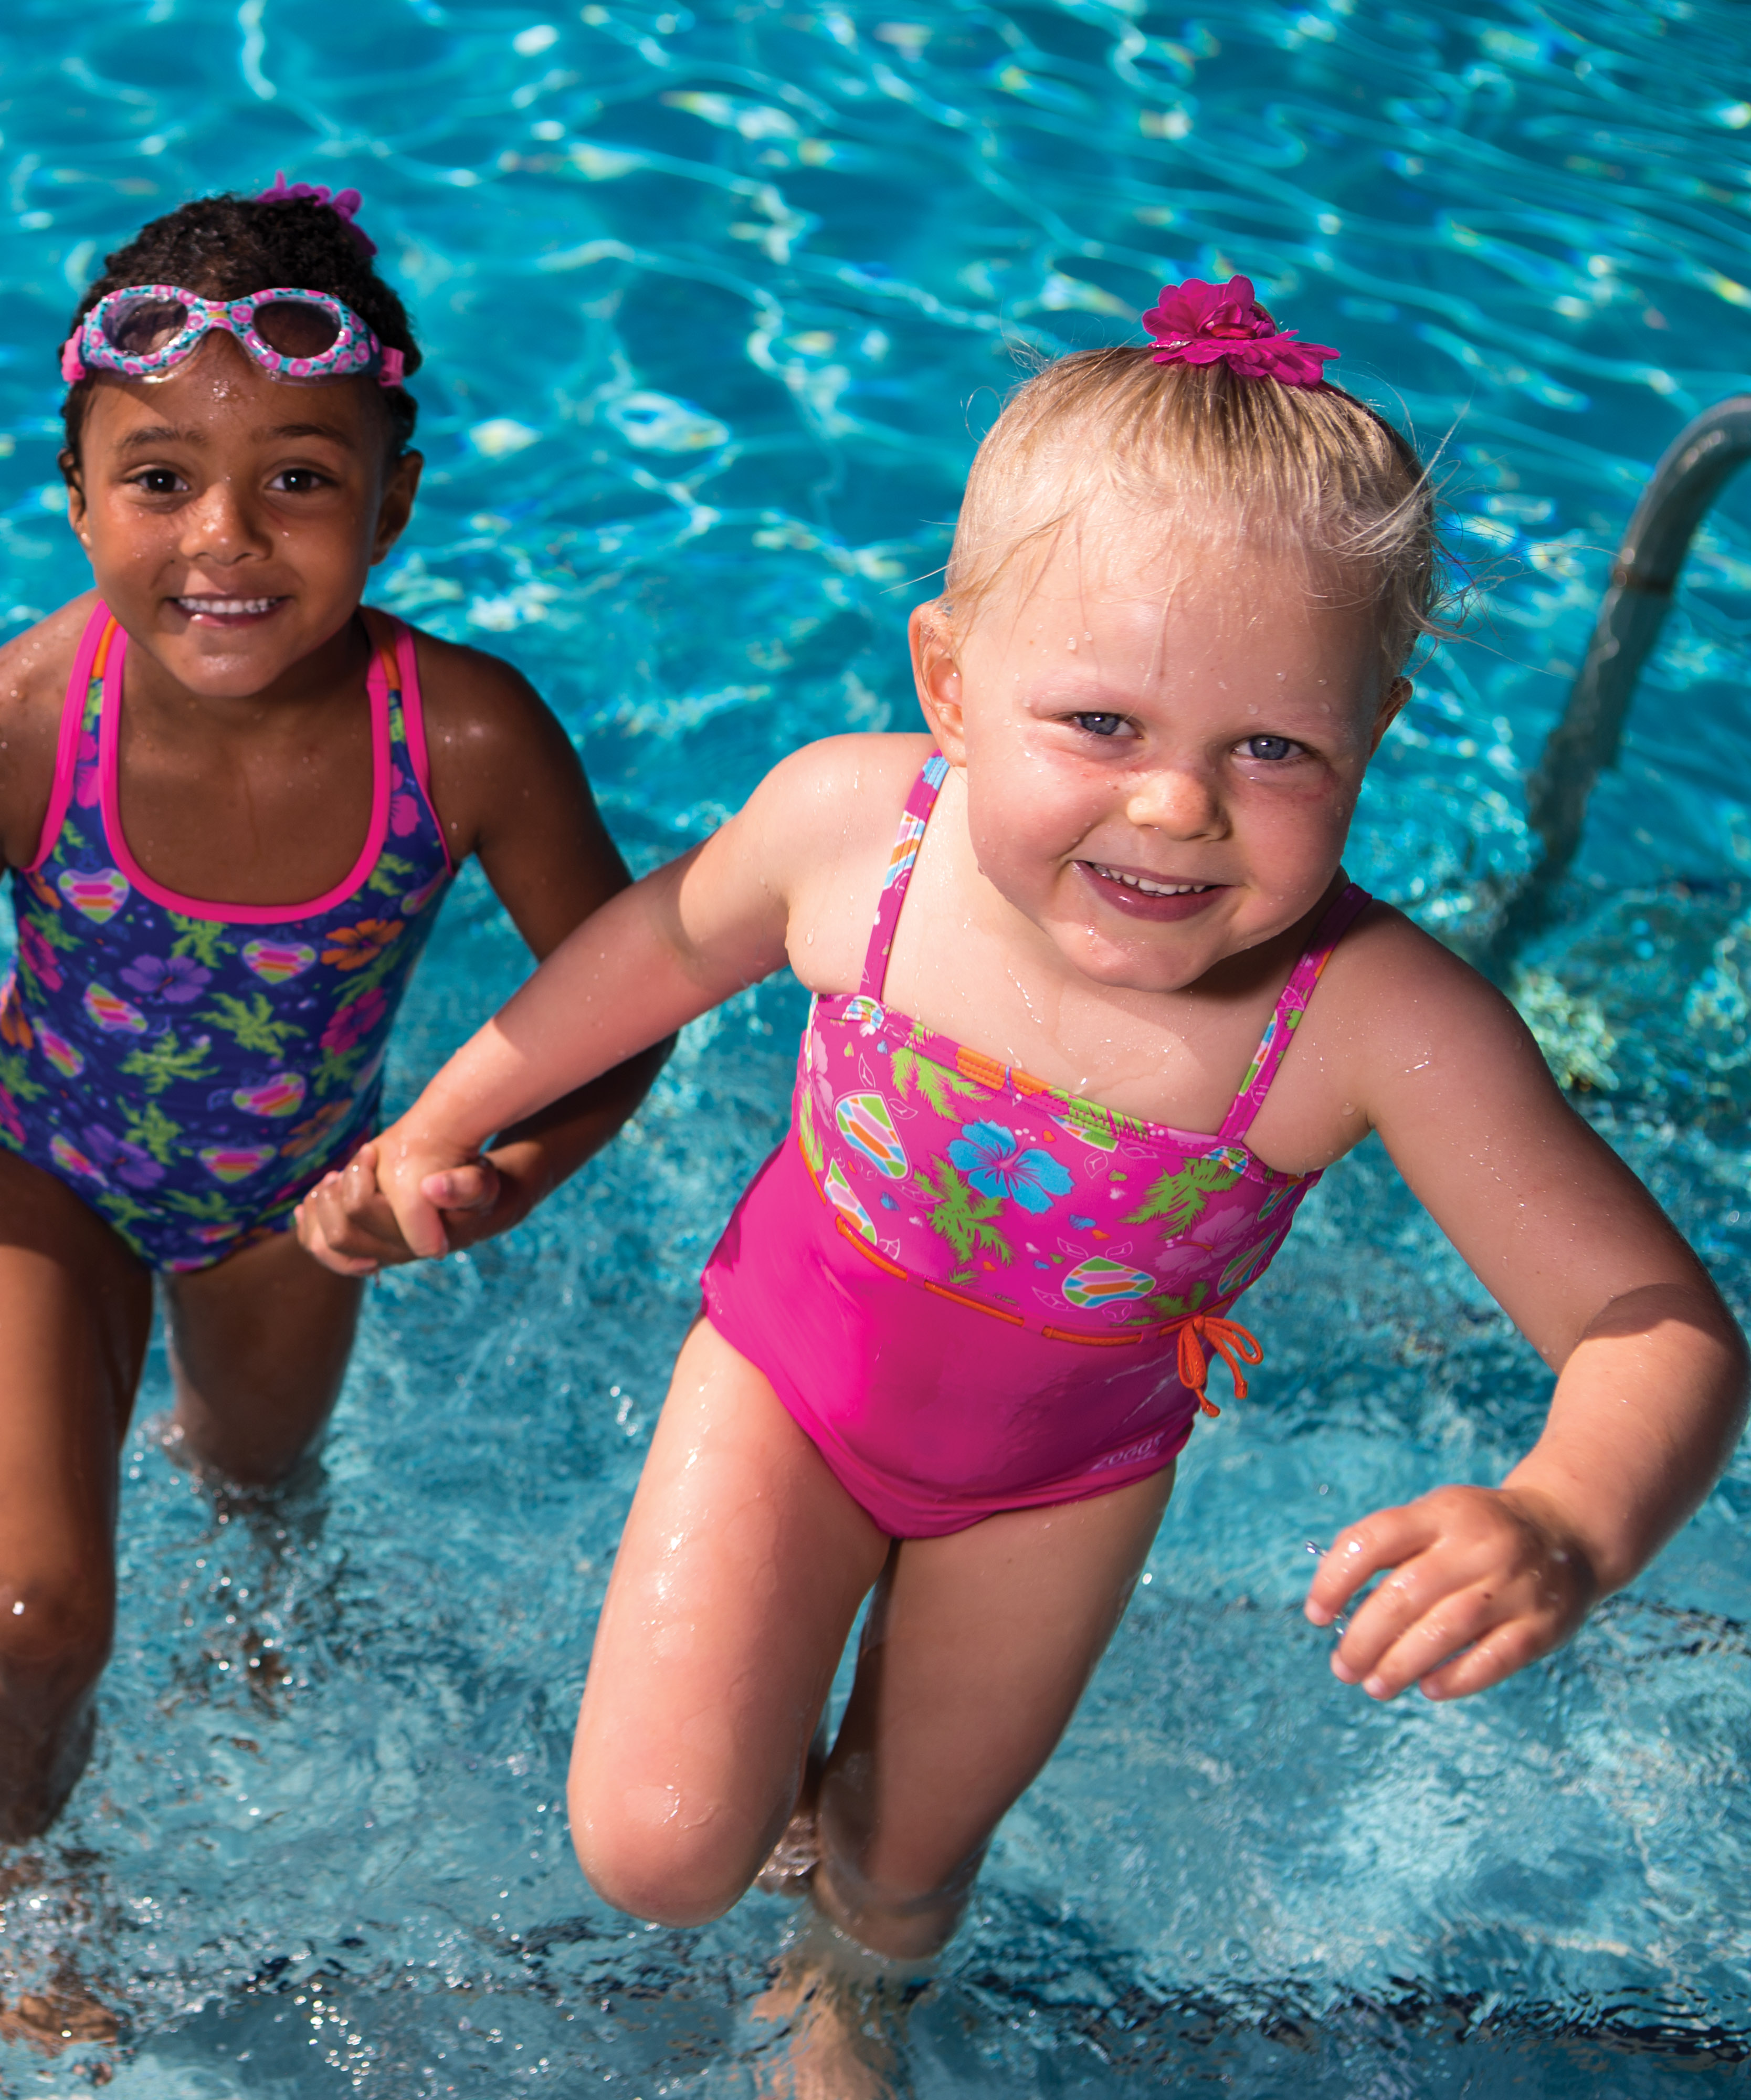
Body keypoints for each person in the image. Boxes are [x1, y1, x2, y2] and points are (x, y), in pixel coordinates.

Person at [332, 275, 1747, 2078]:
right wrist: (439, 1123)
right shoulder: (856, 836)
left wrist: (1563, 1518)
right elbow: (652, 952)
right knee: (660, 1844)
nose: (1177, 808)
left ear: (1374, 733)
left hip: (1056, 1487)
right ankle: (784, 1815)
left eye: (1274, 749)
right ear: (950, 682)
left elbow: (1654, 1321)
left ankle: (847, 2006)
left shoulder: (1373, 1022)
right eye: (1101, 726)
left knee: (905, 1865)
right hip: (784, 1382)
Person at [0, 181, 666, 1845]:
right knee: (32, 1623)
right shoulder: (17, 732)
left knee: (263, 1508)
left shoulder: (464, 742)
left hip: (293, 1216)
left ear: (391, 503)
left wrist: (494, 1177)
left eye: (297, 480)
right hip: (50, 1181)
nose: (225, 539)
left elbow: (629, 1000)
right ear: (78, 500)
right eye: (161, 479)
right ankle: (35, 1892)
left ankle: (255, 1635)